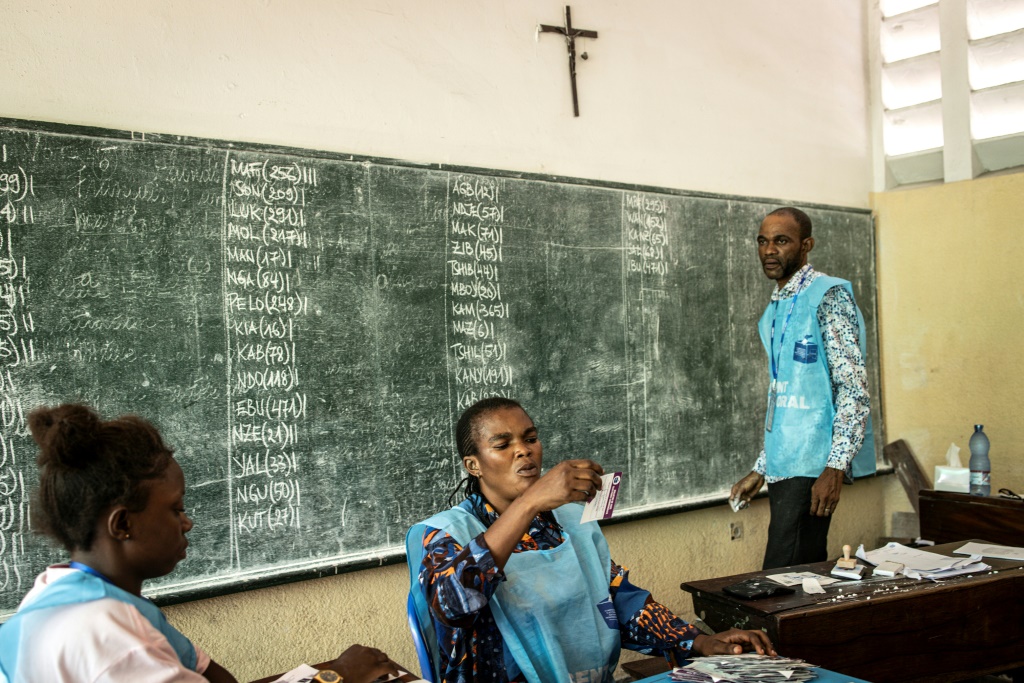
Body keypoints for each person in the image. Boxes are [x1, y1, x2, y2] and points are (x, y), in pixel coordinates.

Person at [0, 403, 398, 683]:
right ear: (122, 524)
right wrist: (337, 677)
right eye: (174, 509)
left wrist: (336, 669)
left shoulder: (63, 592)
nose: (187, 522)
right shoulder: (109, 640)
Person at [406, 397, 775, 683]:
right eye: (503, 444)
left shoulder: (568, 522)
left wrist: (699, 642)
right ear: (473, 465)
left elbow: (614, 600)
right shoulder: (443, 534)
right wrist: (530, 501)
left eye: (530, 438)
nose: (525, 450)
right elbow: (454, 603)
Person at [730, 207, 875, 570]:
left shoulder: (827, 296)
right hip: (786, 464)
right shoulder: (777, 307)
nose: (769, 250)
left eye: (781, 241)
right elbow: (787, 396)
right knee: (793, 580)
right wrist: (762, 468)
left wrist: (835, 467)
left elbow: (852, 389)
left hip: (814, 467)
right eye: (763, 241)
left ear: (806, 245)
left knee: (783, 581)